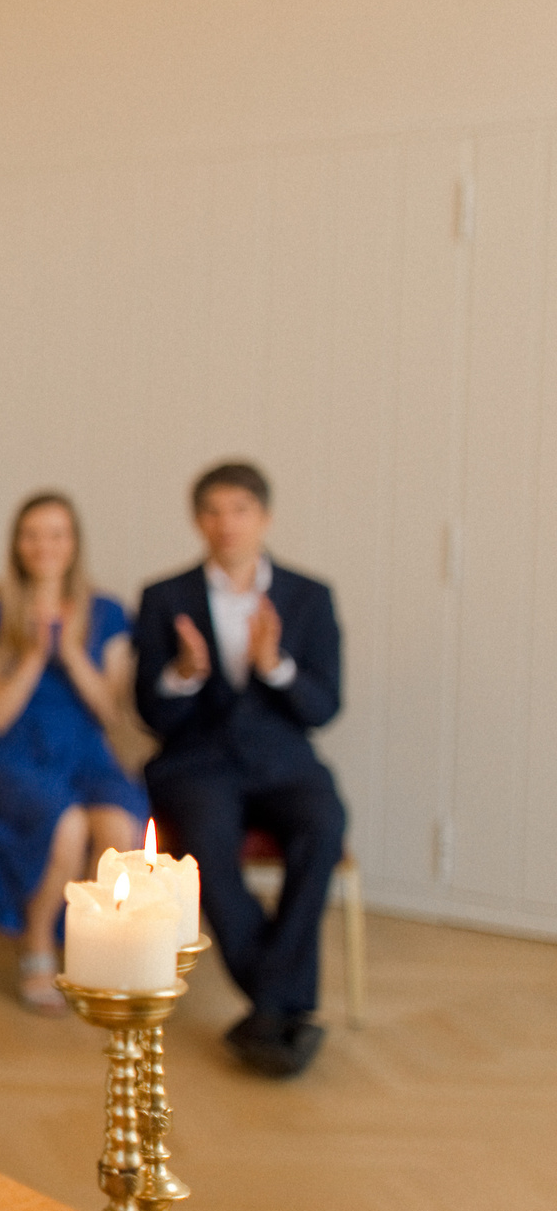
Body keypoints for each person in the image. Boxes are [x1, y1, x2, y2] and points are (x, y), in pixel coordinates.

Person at [133, 461, 345, 1079]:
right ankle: (282, 1001)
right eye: (214, 512)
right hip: (198, 764)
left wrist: (276, 666)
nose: (227, 525)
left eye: (240, 511)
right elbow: (151, 713)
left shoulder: (311, 597)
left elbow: (325, 706)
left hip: (284, 761)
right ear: (198, 520)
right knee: (202, 844)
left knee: (324, 826)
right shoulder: (163, 597)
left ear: (265, 517)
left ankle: (270, 1002)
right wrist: (186, 674)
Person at [0, 493, 146, 1013]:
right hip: (16, 759)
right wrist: (36, 658)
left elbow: (111, 712)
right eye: (33, 534)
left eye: (56, 534)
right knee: (66, 825)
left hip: (86, 756)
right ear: (18, 545)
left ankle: (105, 954)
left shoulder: (107, 613)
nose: (45, 546)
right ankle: (38, 943)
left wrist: (69, 654)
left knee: (118, 827)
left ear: (74, 544)